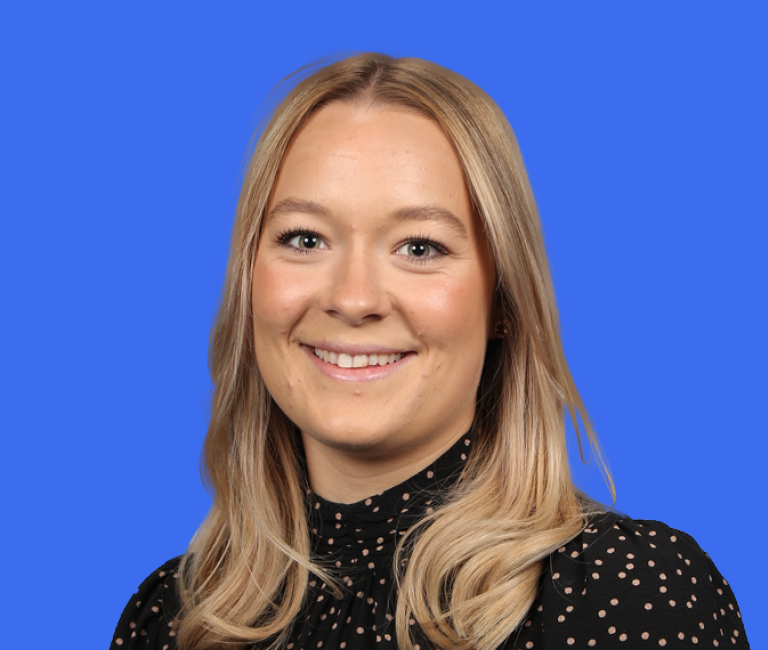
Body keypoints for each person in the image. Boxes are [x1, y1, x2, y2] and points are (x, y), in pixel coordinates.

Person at [111, 53, 749, 650]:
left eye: (419, 247)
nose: (354, 298)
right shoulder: (170, 616)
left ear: (503, 299)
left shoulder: (627, 589)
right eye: (304, 238)